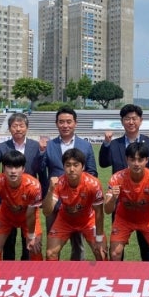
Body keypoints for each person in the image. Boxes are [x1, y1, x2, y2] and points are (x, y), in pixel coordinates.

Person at [99, 103, 149, 261]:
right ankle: (118, 278)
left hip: (146, 202)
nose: (131, 122)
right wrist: (106, 143)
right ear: (122, 122)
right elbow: (103, 162)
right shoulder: (115, 144)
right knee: (116, 250)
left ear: (141, 120)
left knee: (148, 247)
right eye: (127, 119)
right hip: (120, 200)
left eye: (134, 118)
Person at [38, 106, 98, 260]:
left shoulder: (85, 145)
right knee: (52, 244)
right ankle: (55, 277)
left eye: (69, 122)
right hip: (55, 201)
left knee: (77, 244)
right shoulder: (49, 145)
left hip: (78, 202)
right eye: (61, 122)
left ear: (75, 123)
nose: (65, 125)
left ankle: (76, 276)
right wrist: (41, 152)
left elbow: (92, 172)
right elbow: (41, 170)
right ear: (56, 124)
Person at [0, 112, 44, 260]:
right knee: (7, 241)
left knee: (30, 240)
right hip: (8, 199)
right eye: (15, 126)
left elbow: (41, 169)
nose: (18, 129)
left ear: (27, 127)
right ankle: (9, 269)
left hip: (29, 197)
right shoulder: (2, 146)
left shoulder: (35, 146)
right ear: (9, 128)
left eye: (21, 126)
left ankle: (27, 270)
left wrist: (42, 152)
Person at [104, 142, 149, 261]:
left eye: (140, 159)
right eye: (132, 159)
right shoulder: (117, 178)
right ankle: (115, 278)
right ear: (127, 159)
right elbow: (107, 210)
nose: (136, 164)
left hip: (148, 219)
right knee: (114, 253)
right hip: (124, 219)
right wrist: (113, 198)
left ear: (147, 160)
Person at [0, 150, 44, 261]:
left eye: (17, 167)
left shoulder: (34, 185)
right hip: (6, 216)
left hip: (28, 216)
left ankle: (39, 276)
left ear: (23, 169)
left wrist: (32, 236)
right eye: (9, 167)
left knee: (35, 248)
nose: (13, 171)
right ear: (3, 168)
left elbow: (31, 213)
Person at [43, 148, 106, 261]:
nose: (71, 169)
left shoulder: (93, 184)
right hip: (65, 220)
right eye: (68, 165)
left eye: (75, 165)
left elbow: (99, 212)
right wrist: (50, 191)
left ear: (83, 167)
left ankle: (102, 278)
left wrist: (100, 238)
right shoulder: (59, 183)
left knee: (101, 253)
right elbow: (46, 211)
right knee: (50, 253)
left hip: (88, 220)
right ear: (63, 167)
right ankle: (54, 278)